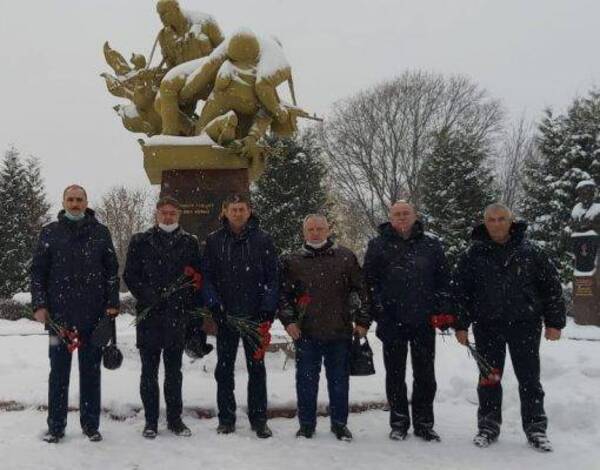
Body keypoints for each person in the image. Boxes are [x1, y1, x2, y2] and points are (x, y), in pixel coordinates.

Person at [453, 203, 565, 452]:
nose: (496, 224)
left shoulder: (531, 251)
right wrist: (460, 324)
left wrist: (554, 322)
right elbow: (461, 292)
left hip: (525, 326)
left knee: (529, 379)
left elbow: (551, 287)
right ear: (484, 222)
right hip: (487, 326)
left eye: (501, 219)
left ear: (511, 221)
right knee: (489, 378)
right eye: (491, 220)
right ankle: (488, 426)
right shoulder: (472, 255)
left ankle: (536, 428)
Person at [31, 185, 120, 443]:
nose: (74, 204)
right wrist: (39, 304)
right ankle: (56, 427)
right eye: (70, 199)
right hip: (58, 318)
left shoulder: (101, 233)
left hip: (93, 317)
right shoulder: (50, 232)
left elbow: (111, 271)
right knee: (58, 373)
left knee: (91, 373)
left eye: (79, 199)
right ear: (63, 202)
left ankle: (91, 425)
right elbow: (38, 271)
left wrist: (112, 303)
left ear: (86, 202)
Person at [363, 201, 452, 442]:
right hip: (392, 320)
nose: (402, 217)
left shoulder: (431, 244)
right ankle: (399, 422)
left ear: (414, 216)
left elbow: (443, 280)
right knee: (395, 375)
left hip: (424, 320)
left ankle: (424, 423)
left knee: (425, 375)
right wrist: (379, 310)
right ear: (390, 218)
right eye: (397, 214)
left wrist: (442, 309)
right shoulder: (378, 245)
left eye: (406, 213)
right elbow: (369, 282)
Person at [123, 196, 211, 439]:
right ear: (157, 213)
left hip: (177, 315)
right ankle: (151, 421)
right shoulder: (140, 240)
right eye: (164, 212)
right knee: (148, 372)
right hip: (150, 315)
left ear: (179, 215)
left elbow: (196, 279)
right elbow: (130, 274)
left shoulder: (190, 242)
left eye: (172, 213)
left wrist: (184, 303)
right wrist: (148, 295)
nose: (168, 217)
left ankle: (175, 420)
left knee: (174, 372)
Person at [279, 214, 371, 441]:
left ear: (328, 230)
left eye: (320, 228)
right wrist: (289, 321)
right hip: (306, 333)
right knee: (306, 382)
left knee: (339, 382)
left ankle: (339, 424)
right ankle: (306, 425)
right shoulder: (293, 261)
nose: (315, 233)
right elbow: (283, 296)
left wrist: (362, 321)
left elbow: (362, 290)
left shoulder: (345, 257)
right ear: (304, 232)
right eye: (310, 229)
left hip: (339, 331)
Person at [202, 193, 279, 438]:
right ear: (225, 211)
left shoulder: (263, 239)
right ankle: (226, 419)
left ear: (249, 211)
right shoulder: (214, 241)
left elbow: (273, 277)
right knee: (224, 370)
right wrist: (214, 305)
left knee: (257, 369)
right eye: (233, 209)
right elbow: (207, 277)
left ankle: (259, 419)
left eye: (241, 209)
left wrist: (268, 308)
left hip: (255, 316)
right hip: (226, 316)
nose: (237, 213)